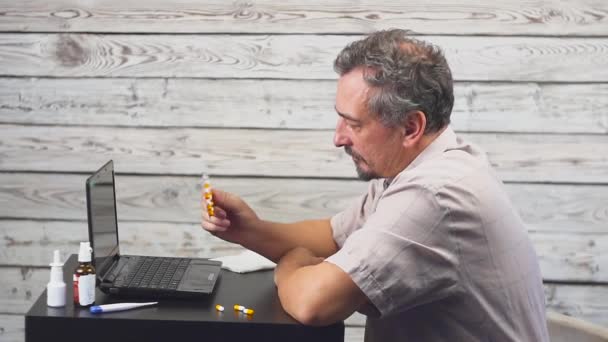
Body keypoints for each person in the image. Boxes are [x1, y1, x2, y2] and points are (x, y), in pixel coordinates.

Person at [201, 29, 549, 341]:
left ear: (411, 127)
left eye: (353, 124)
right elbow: (332, 235)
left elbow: (312, 303)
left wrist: (292, 262)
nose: (337, 138)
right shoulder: (423, 167)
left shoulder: (434, 195)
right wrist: (248, 230)